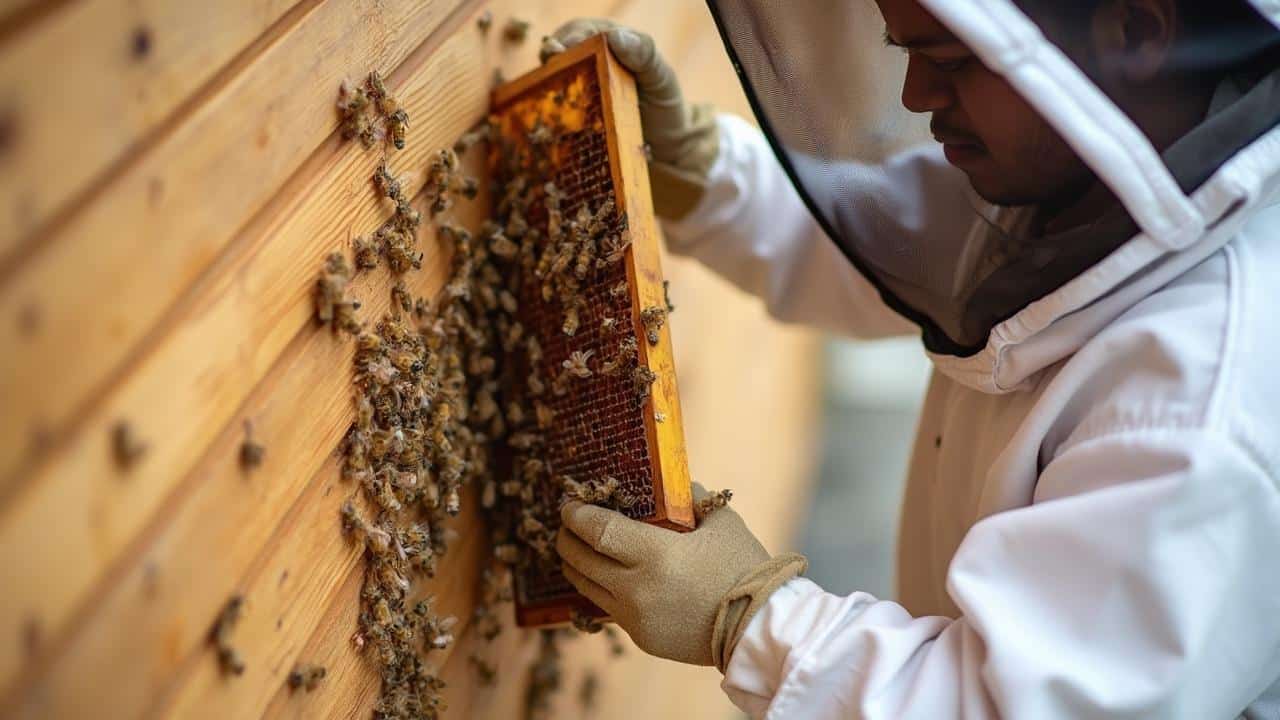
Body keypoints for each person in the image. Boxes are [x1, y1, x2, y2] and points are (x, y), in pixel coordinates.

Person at [545, 1, 1280, 718]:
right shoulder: (1097, 165)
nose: (916, 94)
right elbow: (895, 242)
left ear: (1136, 30)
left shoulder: (1201, 410)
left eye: (952, 58)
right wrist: (702, 174)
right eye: (906, 49)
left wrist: (750, 621)